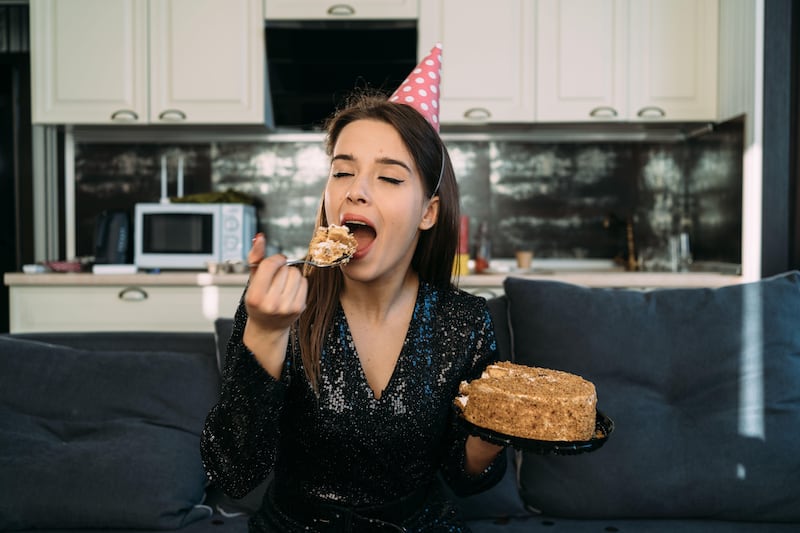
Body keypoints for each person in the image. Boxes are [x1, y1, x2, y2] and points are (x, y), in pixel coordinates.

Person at [200, 44, 507, 532]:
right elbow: (235, 473)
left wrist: (494, 431)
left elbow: (466, 479)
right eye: (342, 171)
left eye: (387, 176)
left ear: (428, 212)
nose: (355, 190)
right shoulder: (279, 305)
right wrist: (264, 333)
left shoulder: (465, 322)